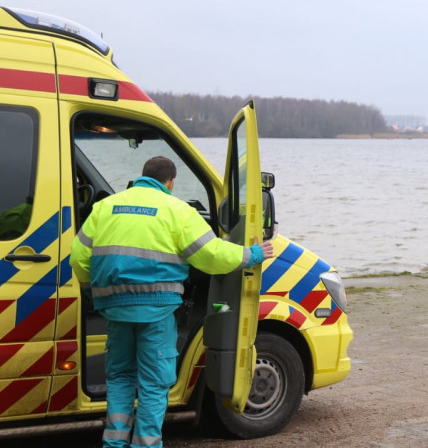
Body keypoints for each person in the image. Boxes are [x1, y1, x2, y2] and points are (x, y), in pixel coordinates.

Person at [69, 156, 274, 448]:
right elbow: (212, 255)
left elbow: (78, 258)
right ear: (171, 182)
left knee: (121, 379)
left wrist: (96, 291)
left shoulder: (105, 207)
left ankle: (113, 443)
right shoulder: (177, 210)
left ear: (142, 176)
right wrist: (251, 255)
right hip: (157, 310)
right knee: (153, 384)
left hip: (114, 309)